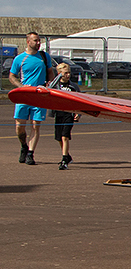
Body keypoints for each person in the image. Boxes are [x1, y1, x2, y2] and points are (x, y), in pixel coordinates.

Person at [9, 32, 54, 165]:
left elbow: (50, 72)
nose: (38, 43)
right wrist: (21, 86)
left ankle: (30, 153)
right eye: (35, 41)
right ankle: (24, 145)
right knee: (19, 127)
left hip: (39, 95)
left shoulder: (44, 57)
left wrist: (50, 83)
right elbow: (12, 76)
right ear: (28, 42)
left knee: (36, 125)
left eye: (39, 40)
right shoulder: (19, 59)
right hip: (24, 96)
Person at [49, 63, 81, 170]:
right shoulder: (56, 85)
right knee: (59, 138)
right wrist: (57, 78)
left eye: (69, 73)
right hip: (59, 113)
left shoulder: (73, 87)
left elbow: (80, 101)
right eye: (65, 73)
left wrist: (78, 113)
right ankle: (67, 155)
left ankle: (64, 160)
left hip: (69, 113)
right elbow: (49, 89)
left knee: (65, 136)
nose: (68, 75)